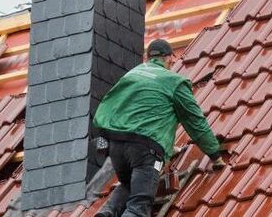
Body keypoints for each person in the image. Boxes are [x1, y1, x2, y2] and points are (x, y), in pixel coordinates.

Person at [93, 39, 225, 217]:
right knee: (138, 206)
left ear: (147, 57)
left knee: (128, 184)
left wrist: (169, 149)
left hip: (116, 145)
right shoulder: (174, 82)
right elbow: (195, 122)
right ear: (169, 58)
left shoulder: (133, 74)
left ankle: (106, 213)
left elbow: (108, 107)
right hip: (145, 150)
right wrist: (215, 155)